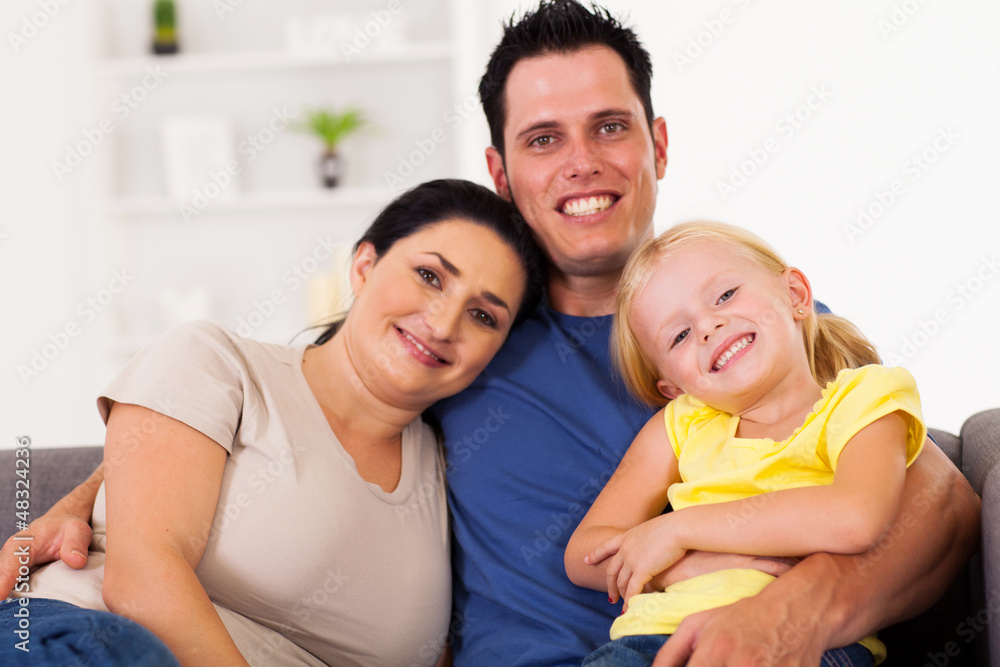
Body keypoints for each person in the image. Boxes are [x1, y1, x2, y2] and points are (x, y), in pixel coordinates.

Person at [2, 2, 981, 666]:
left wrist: (795, 612)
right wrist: (98, 494)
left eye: (610, 126)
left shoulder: (732, 323)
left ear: (659, 143)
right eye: (543, 138)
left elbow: (935, 493)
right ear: (502, 168)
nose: (582, 163)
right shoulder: (451, 342)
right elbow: (272, 404)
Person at [0, 179, 544, 666]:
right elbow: (142, 577)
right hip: (95, 639)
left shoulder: (457, 470)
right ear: (363, 266)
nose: (445, 322)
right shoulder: (217, 362)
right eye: (429, 276)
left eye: (483, 316)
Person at [565, 221, 926, 666]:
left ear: (795, 294)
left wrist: (677, 530)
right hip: (649, 641)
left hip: (807, 645)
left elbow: (856, 517)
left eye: (724, 295)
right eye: (679, 336)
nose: (709, 326)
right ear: (675, 388)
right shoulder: (681, 425)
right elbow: (585, 553)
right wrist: (680, 565)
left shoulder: (864, 397)